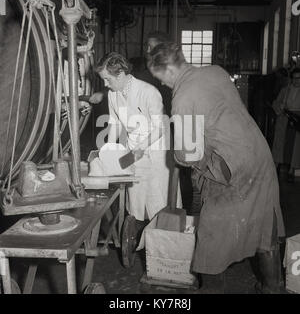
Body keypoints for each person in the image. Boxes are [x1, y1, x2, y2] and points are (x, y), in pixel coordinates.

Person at [147, 42, 285, 294]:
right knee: (264, 227)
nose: (164, 85)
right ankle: (272, 287)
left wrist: (177, 153)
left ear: (167, 70)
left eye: (161, 79)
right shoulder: (216, 71)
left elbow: (187, 155)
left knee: (211, 240)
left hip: (232, 169)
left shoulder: (183, 96)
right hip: (259, 154)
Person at [92, 52, 181, 230]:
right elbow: (115, 122)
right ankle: (138, 232)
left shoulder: (148, 92)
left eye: (108, 79)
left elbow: (160, 127)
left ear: (121, 74)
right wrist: (109, 149)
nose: (105, 84)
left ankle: (160, 238)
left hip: (156, 150)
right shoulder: (113, 93)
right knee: (137, 202)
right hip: (134, 149)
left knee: (159, 200)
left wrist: (140, 148)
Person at [272, 68, 300, 182]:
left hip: (298, 121)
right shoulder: (285, 90)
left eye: (299, 78)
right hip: (284, 119)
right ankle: (277, 166)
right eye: (294, 78)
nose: (296, 81)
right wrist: (280, 109)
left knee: (295, 146)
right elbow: (276, 103)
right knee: (280, 144)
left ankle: (292, 169)